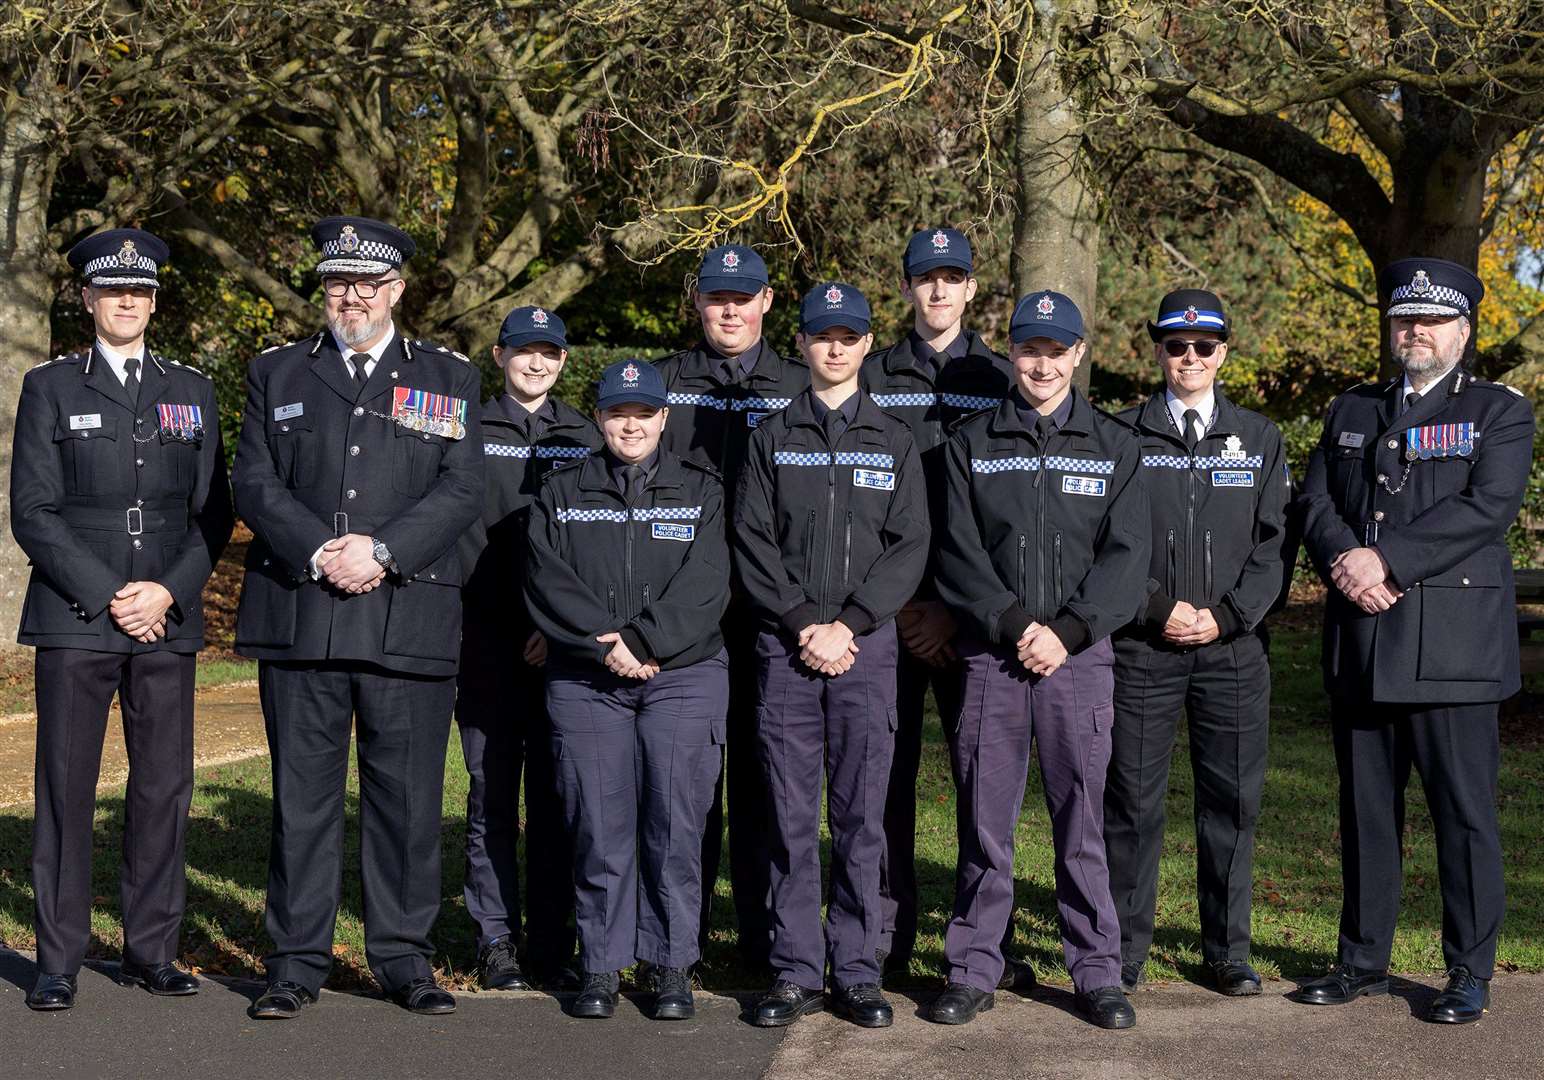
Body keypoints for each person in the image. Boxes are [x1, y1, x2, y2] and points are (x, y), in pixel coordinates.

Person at [232, 216, 484, 1019]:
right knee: (301, 800)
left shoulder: (448, 378)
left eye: (368, 284)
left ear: (397, 291)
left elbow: (460, 487)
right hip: (302, 615)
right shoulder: (277, 374)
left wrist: (380, 552)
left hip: (405, 616)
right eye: (339, 283)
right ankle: (296, 961)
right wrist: (320, 551)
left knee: (406, 801)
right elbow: (255, 483)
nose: (352, 296)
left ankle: (403, 958)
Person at [1294, 258, 1534, 1025]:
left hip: (1452, 651)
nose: (1415, 333)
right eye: (1404, 320)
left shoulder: (1498, 411)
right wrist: (1345, 561)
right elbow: (1316, 499)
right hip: (1365, 637)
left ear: (1463, 331)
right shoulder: (1354, 408)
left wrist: (1385, 559)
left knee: (1464, 815)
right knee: (1367, 813)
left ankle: (1469, 969)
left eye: (1430, 321)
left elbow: (1488, 508)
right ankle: (1362, 960)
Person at [11, 228, 233, 1011]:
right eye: (112, 290)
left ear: (153, 301)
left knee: (164, 788)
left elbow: (214, 513)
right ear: (88, 299)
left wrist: (166, 593)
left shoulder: (193, 388)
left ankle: (152, 950)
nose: (127, 301)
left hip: (166, 617)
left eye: (139, 291)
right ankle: (60, 959)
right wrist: (112, 593)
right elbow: (33, 512)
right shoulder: (50, 386)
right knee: (67, 789)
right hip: (78, 617)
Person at [927, 290, 1149, 1029]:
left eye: (1057, 352)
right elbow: (957, 554)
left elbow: (1127, 560)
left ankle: (1095, 971)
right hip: (993, 657)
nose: (1043, 365)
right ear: (1012, 354)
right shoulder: (970, 444)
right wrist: (1020, 624)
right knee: (985, 822)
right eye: (1030, 350)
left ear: (1079, 355)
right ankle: (973, 966)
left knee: (1080, 822)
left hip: (1078, 661)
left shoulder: (1115, 446)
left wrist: (1072, 629)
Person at [736, 283, 928, 1028]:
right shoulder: (770, 435)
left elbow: (908, 548)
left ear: (867, 342)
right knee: (787, 815)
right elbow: (751, 540)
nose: (836, 347)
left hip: (867, 652)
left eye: (849, 336)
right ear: (805, 342)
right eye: (822, 335)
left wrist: (848, 623)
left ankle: (856, 969)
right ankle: (793, 968)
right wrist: (798, 622)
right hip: (784, 650)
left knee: (861, 817)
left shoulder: (894, 440)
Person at [525, 359, 731, 1021]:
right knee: (599, 824)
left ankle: (670, 964)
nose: (631, 425)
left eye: (644, 413)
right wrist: (607, 642)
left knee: (674, 824)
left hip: (683, 675)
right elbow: (546, 579)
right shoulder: (561, 492)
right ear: (600, 417)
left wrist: (646, 641)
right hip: (588, 679)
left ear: (663, 418)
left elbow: (709, 581)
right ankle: (601, 964)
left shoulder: (702, 490)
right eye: (618, 413)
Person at [1102, 289, 1291, 997]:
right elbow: (1109, 543)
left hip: (1232, 652)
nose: (1190, 358)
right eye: (1176, 346)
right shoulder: (1121, 434)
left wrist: (1230, 615)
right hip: (1143, 648)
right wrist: (1158, 607)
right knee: (1132, 802)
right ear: (1157, 351)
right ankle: (1121, 952)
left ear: (1224, 353)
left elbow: (1275, 546)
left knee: (1231, 801)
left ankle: (1228, 951)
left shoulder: (1260, 439)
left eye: (1204, 347)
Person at [861, 228, 1013, 981]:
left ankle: (986, 942)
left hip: (973, 615)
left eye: (954, 278)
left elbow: (1010, 506)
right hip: (889, 610)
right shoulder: (874, 371)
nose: (940, 291)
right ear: (908, 288)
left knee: (982, 784)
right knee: (885, 779)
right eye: (927, 278)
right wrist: (902, 605)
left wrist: (955, 607)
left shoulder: (1001, 375)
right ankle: (886, 939)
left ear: (972, 289)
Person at [654, 244, 810, 970]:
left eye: (743, 297)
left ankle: (757, 936)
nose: (729, 310)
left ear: (767, 302)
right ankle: (681, 937)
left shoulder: (802, 384)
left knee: (764, 776)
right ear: (698, 302)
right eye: (717, 297)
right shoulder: (663, 385)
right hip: (687, 612)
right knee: (687, 782)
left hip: (771, 608)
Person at [455, 305, 600, 990]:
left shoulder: (584, 434)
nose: (536, 363)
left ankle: (551, 939)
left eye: (549, 353)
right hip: (485, 638)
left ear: (564, 360)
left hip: (560, 645)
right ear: (498, 356)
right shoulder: (467, 428)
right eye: (523, 352)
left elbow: (588, 545)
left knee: (556, 793)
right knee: (491, 793)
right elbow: (456, 531)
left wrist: (558, 624)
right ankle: (495, 938)